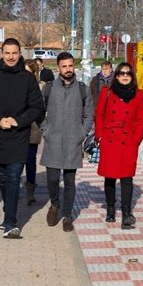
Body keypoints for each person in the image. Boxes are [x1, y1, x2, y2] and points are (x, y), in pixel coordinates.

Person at [0, 39, 43, 238]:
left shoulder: (28, 78)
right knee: (3, 179)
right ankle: (8, 212)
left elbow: (36, 107)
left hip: (19, 135)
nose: (11, 57)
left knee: (14, 177)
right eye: (7, 53)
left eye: (15, 53)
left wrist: (18, 120)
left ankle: (11, 222)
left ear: (20, 53)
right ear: (1, 54)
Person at [40, 52, 94, 232]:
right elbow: (39, 112)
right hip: (53, 140)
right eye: (64, 66)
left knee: (70, 181)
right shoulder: (48, 88)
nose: (68, 69)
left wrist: (82, 133)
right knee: (53, 179)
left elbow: (88, 115)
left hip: (73, 141)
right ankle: (55, 204)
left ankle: (68, 216)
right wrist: (45, 130)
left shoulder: (82, 89)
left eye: (70, 66)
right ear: (58, 68)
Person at [94, 62, 143, 229]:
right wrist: (100, 136)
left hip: (128, 141)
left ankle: (126, 212)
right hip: (110, 139)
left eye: (128, 73)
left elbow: (141, 119)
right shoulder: (106, 92)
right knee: (110, 176)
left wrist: (136, 139)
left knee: (127, 177)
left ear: (132, 76)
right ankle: (110, 208)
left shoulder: (138, 94)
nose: (125, 76)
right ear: (116, 76)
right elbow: (99, 114)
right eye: (122, 73)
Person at [24, 59, 43, 205]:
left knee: (30, 159)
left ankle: (30, 188)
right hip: (18, 128)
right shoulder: (16, 85)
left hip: (33, 127)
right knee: (17, 160)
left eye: (29, 72)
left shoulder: (40, 87)